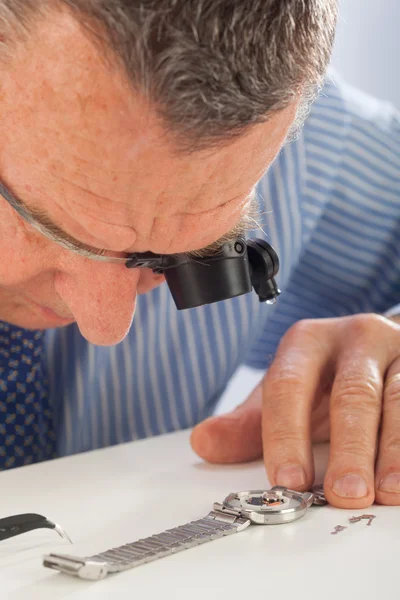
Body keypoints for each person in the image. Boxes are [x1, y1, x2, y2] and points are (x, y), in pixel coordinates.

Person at [0, 1, 399, 511]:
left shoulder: (270, 130)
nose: (106, 325)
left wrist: (387, 352)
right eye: (48, 228)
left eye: (176, 258)